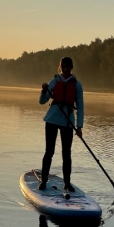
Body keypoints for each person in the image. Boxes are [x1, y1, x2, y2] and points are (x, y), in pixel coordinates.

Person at [38, 56, 83, 192]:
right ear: (60, 67)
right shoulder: (54, 81)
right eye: (63, 67)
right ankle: (44, 180)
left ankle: (67, 183)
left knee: (66, 154)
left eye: (68, 67)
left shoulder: (77, 85)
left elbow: (80, 107)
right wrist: (44, 90)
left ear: (71, 68)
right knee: (49, 151)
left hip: (67, 122)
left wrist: (79, 126)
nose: (65, 69)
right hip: (52, 119)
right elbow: (42, 101)